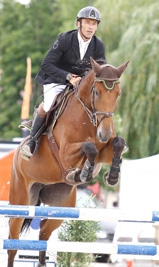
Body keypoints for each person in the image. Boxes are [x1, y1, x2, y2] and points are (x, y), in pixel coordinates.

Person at [20, 6, 106, 160]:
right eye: (87, 22)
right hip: (56, 80)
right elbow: (46, 64)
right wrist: (67, 77)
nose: (90, 27)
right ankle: (31, 142)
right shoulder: (65, 39)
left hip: (80, 84)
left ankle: (104, 139)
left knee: (99, 104)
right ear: (78, 23)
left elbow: (100, 70)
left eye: (94, 24)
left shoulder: (98, 45)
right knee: (49, 104)